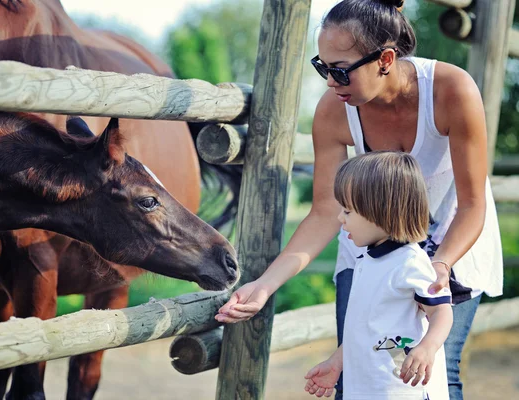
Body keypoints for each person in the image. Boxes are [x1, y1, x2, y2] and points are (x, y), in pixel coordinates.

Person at [215, 1, 503, 399]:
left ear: (385, 59)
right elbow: (325, 213)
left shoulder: (451, 90)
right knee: (354, 369)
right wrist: (265, 285)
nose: (330, 82)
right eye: (322, 67)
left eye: (339, 69)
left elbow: (472, 206)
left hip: (452, 239)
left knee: (435, 368)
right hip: (369, 244)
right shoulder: (334, 112)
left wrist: (438, 267)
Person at [303, 151, 452, 400]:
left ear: (381, 211)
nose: (341, 219)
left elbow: (441, 311)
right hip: (365, 388)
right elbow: (364, 328)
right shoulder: (367, 261)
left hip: (400, 391)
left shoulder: (410, 262)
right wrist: (337, 362)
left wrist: (428, 348)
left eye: (348, 212)